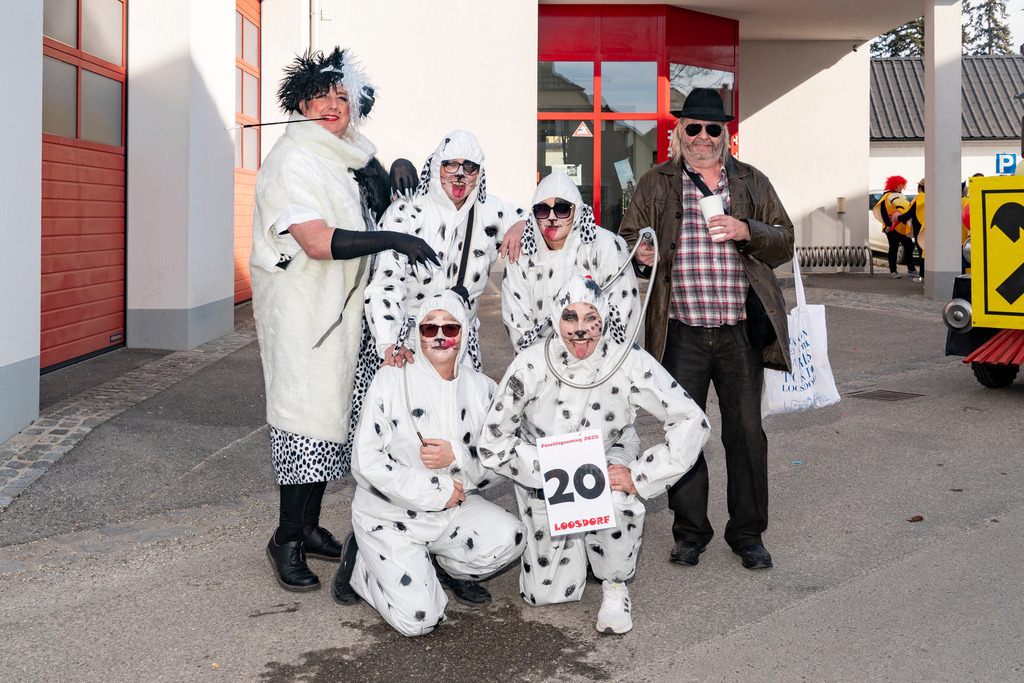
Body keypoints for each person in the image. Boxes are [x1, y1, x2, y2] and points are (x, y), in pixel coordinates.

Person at [250, 48, 439, 593]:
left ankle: (308, 527)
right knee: (302, 423)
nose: (333, 105)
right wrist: (393, 238)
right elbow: (314, 241)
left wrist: (399, 180)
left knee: (331, 422)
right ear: (301, 102)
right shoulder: (294, 161)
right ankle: (284, 538)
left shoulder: (346, 157)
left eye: (342, 96)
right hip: (304, 317)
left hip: (342, 317)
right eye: (321, 96)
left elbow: (380, 202)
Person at [618, 87, 794, 571]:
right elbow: (629, 236)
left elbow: (786, 241)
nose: (701, 137)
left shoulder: (752, 182)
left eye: (711, 128)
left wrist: (746, 231)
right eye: (692, 128)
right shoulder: (656, 183)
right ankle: (690, 532)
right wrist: (641, 252)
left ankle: (748, 534)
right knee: (684, 433)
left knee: (746, 434)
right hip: (680, 330)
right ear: (679, 132)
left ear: (725, 134)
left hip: (739, 329)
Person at [478, 276, 711, 634]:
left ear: (604, 318)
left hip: (608, 451)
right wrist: (552, 467)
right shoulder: (530, 363)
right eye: (570, 317)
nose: (581, 329)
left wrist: (641, 476)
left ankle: (615, 583)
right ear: (556, 318)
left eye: (592, 318)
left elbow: (690, 417)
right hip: (544, 466)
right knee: (547, 594)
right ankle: (581, 544)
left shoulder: (626, 360)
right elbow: (492, 441)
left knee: (619, 500)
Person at [331, 290, 526, 637]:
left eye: (449, 328)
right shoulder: (391, 379)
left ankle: (445, 566)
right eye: (428, 328)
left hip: (452, 513)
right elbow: (365, 462)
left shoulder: (482, 389)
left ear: (463, 333)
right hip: (389, 516)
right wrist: (434, 491)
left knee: (510, 537)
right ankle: (362, 566)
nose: (439, 336)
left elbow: (503, 460)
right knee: (420, 620)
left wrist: (458, 457)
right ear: (416, 333)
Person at [365, 130, 527, 371]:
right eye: (450, 164)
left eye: (469, 167)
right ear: (435, 166)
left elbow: (549, 220)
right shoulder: (407, 212)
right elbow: (385, 284)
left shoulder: (491, 211)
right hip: (408, 345)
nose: (460, 174)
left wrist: (522, 225)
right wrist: (390, 342)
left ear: (479, 173)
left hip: (461, 349)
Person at [502, 170, 640, 353]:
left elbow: (624, 317)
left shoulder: (607, 247)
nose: (552, 218)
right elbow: (518, 325)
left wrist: (592, 366)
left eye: (562, 208)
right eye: (542, 209)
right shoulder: (521, 254)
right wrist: (548, 366)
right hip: (541, 366)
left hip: (602, 367)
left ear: (577, 210)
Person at [877, 175, 917, 279]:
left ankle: (911, 269)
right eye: (898, 185)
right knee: (894, 248)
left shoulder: (902, 196)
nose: (900, 187)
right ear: (892, 185)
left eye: (901, 185)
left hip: (902, 227)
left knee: (909, 246)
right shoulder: (886, 196)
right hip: (892, 228)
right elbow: (883, 211)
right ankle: (893, 270)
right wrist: (888, 225)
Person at [899, 178, 925, 283]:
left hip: (920, 229)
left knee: (922, 253)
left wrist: (898, 218)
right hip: (932, 229)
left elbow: (911, 213)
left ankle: (922, 276)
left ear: (920, 188)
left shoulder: (919, 198)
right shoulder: (934, 196)